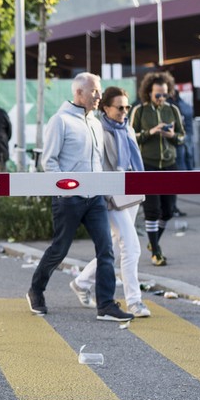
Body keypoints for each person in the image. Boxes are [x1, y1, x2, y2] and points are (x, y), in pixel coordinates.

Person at [25, 72, 133, 322]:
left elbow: (98, 161)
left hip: (95, 198)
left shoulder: (95, 121)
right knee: (59, 250)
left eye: (99, 90)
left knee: (106, 249)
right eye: (95, 91)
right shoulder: (60, 121)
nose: (99, 95)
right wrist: (66, 191)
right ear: (79, 93)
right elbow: (48, 162)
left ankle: (105, 304)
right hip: (69, 199)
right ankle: (36, 290)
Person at [70, 87, 151, 318]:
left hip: (131, 193)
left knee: (115, 246)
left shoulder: (128, 129)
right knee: (132, 248)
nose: (124, 112)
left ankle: (81, 282)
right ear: (105, 108)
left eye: (127, 107)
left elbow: (134, 161)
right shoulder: (98, 130)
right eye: (119, 107)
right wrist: (104, 194)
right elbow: (97, 165)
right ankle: (134, 302)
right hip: (109, 196)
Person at [130, 72, 185, 267]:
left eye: (164, 94)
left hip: (170, 164)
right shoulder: (140, 111)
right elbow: (131, 137)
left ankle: (154, 243)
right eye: (157, 95)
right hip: (147, 164)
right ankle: (156, 251)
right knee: (152, 210)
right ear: (149, 93)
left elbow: (182, 137)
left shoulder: (173, 110)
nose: (161, 98)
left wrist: (171, 135)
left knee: (168, 211)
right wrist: (150, 132)